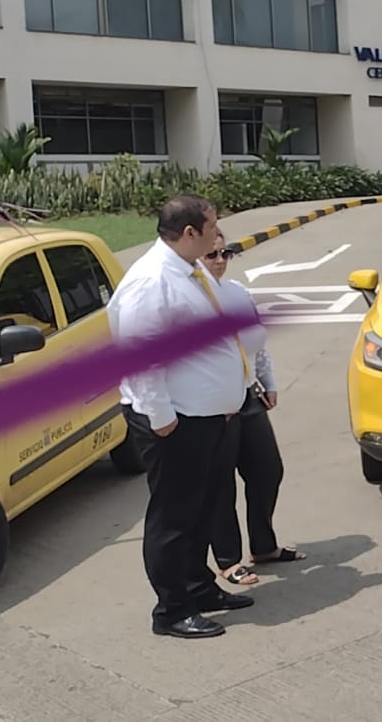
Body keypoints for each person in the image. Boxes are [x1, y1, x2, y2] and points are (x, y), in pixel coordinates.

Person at [108, 195, 254, 639]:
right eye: (212, 226)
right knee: (173, 518)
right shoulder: (152, 282)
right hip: (176, 421)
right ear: (190, 232)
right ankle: (171, 610)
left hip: (206, 417)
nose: (218, 235)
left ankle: (198, 587)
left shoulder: (189, 272)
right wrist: (161, 417)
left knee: (203, 507)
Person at [202, 234, 305, 587]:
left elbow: (256, 343)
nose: (219, 260)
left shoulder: (237, 293)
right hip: (212, 404)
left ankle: (264, 545)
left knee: (267, 470)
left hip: (246, 394)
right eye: (210, 254)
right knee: (220, 484)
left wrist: (268, 380)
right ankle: (229, 560)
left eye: (224, 253)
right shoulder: (192, 301)